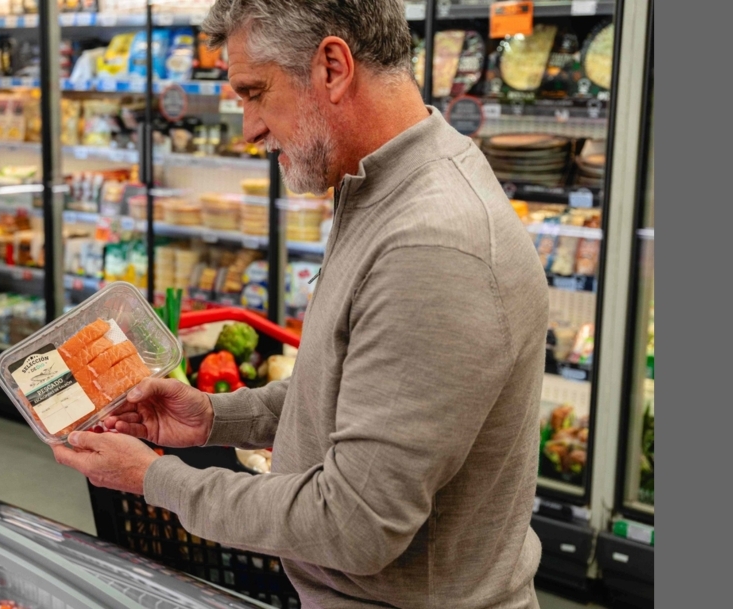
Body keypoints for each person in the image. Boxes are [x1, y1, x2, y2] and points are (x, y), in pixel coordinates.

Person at [51, 1, 549, 607]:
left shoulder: (430, 243)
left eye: (255, 93)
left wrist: (152, 479)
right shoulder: (380, 189)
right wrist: (214, 417)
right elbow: (355, 388)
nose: (248, 129)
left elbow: (355, 524)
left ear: (333, 67)